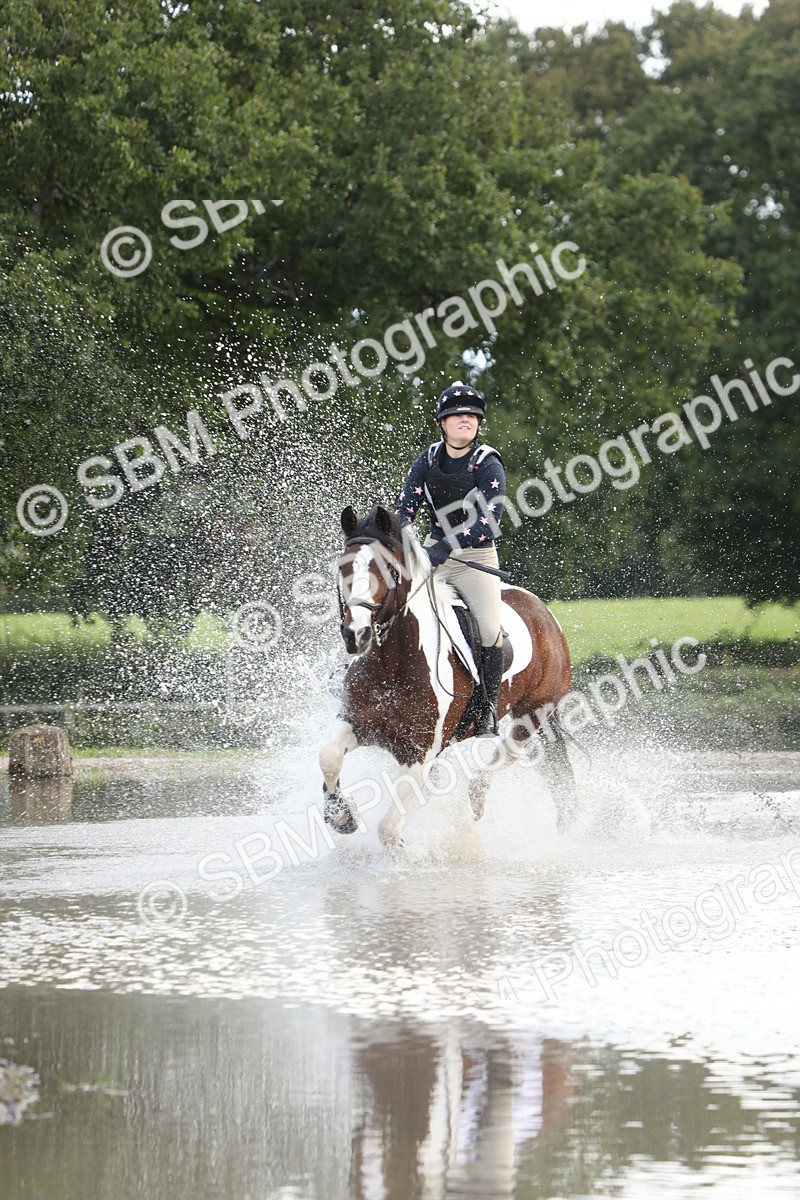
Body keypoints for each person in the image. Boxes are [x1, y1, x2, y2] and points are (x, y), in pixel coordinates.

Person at [395, 381, 508, 737]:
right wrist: (404, 539)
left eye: (472, 415)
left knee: (489, 632)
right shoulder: (426, 461)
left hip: (476, 556)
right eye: (457, 415)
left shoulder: (487, 464)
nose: (465, 420)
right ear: (443, 423)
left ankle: (485, 708)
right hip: (431, 554)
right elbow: (405, 511)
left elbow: (490, 520)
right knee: (393, 606)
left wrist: (447, 544)